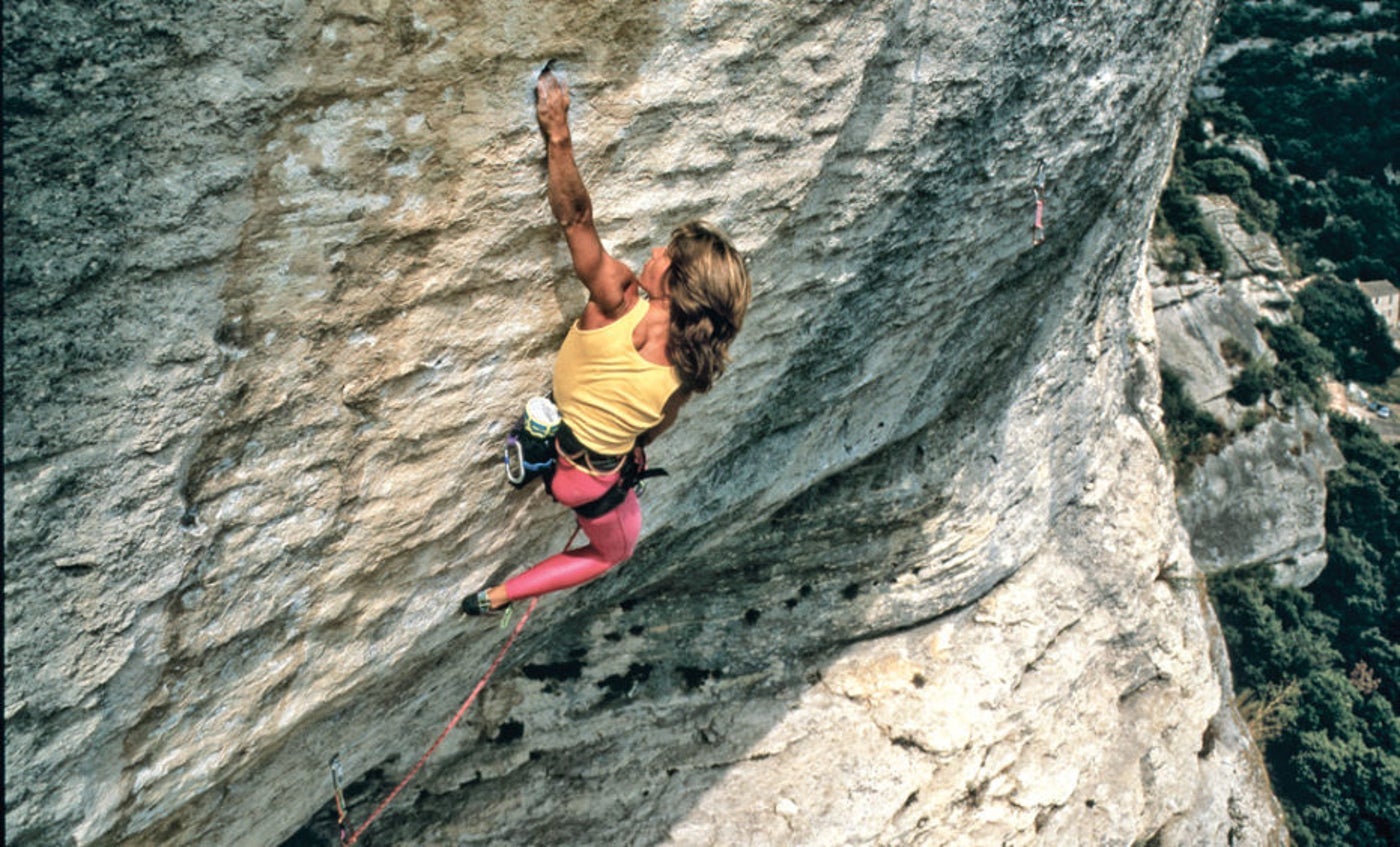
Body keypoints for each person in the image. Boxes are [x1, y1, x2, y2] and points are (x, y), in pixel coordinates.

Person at [462, 65, 751, 616]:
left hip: (565, 448)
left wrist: (557, 130)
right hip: (589, 485)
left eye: (667, 254)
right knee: (615, 551)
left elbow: (576, 219)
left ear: (679, 282)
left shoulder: (616, 298)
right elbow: (652, 429)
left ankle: (541, 447)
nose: (655, 254)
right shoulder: (688, 367)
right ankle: (499, 596)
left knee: (612, 511)